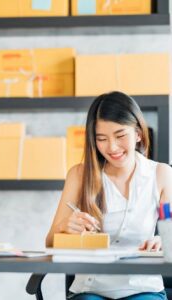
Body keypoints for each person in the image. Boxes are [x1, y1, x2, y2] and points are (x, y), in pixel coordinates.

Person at [46, 91, 172, 300]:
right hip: (90, 289)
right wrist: (63, 228)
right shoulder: (79, 174)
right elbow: (49, 243)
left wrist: (163, 240)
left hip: (143, 288)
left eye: (120, 136)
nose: (112, 147)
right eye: (101, 139)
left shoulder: (161, 174)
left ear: (138, 133)